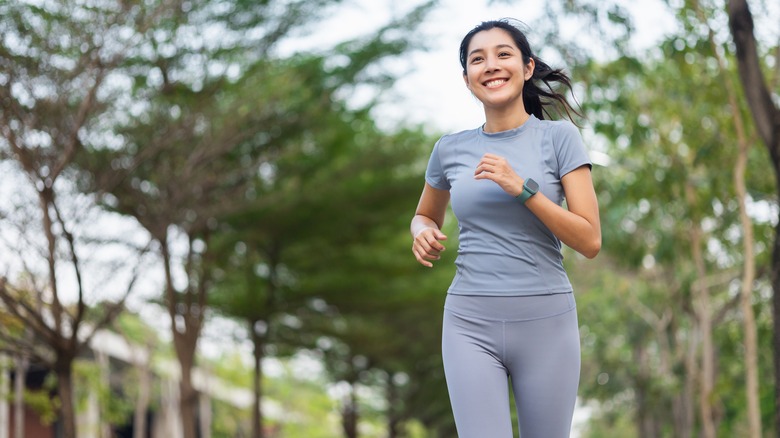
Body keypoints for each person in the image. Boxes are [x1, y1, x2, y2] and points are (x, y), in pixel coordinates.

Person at [410, 18, 601, 438]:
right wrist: (419, 230)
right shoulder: (449, 149)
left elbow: (589, 240)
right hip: (468, 320)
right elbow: (425, 214)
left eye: (503, 54)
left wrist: (524, 189)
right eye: (478, 59)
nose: (491, 65)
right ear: (467, 79)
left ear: (527, 67)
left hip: (546, 321)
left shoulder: (559, 138)